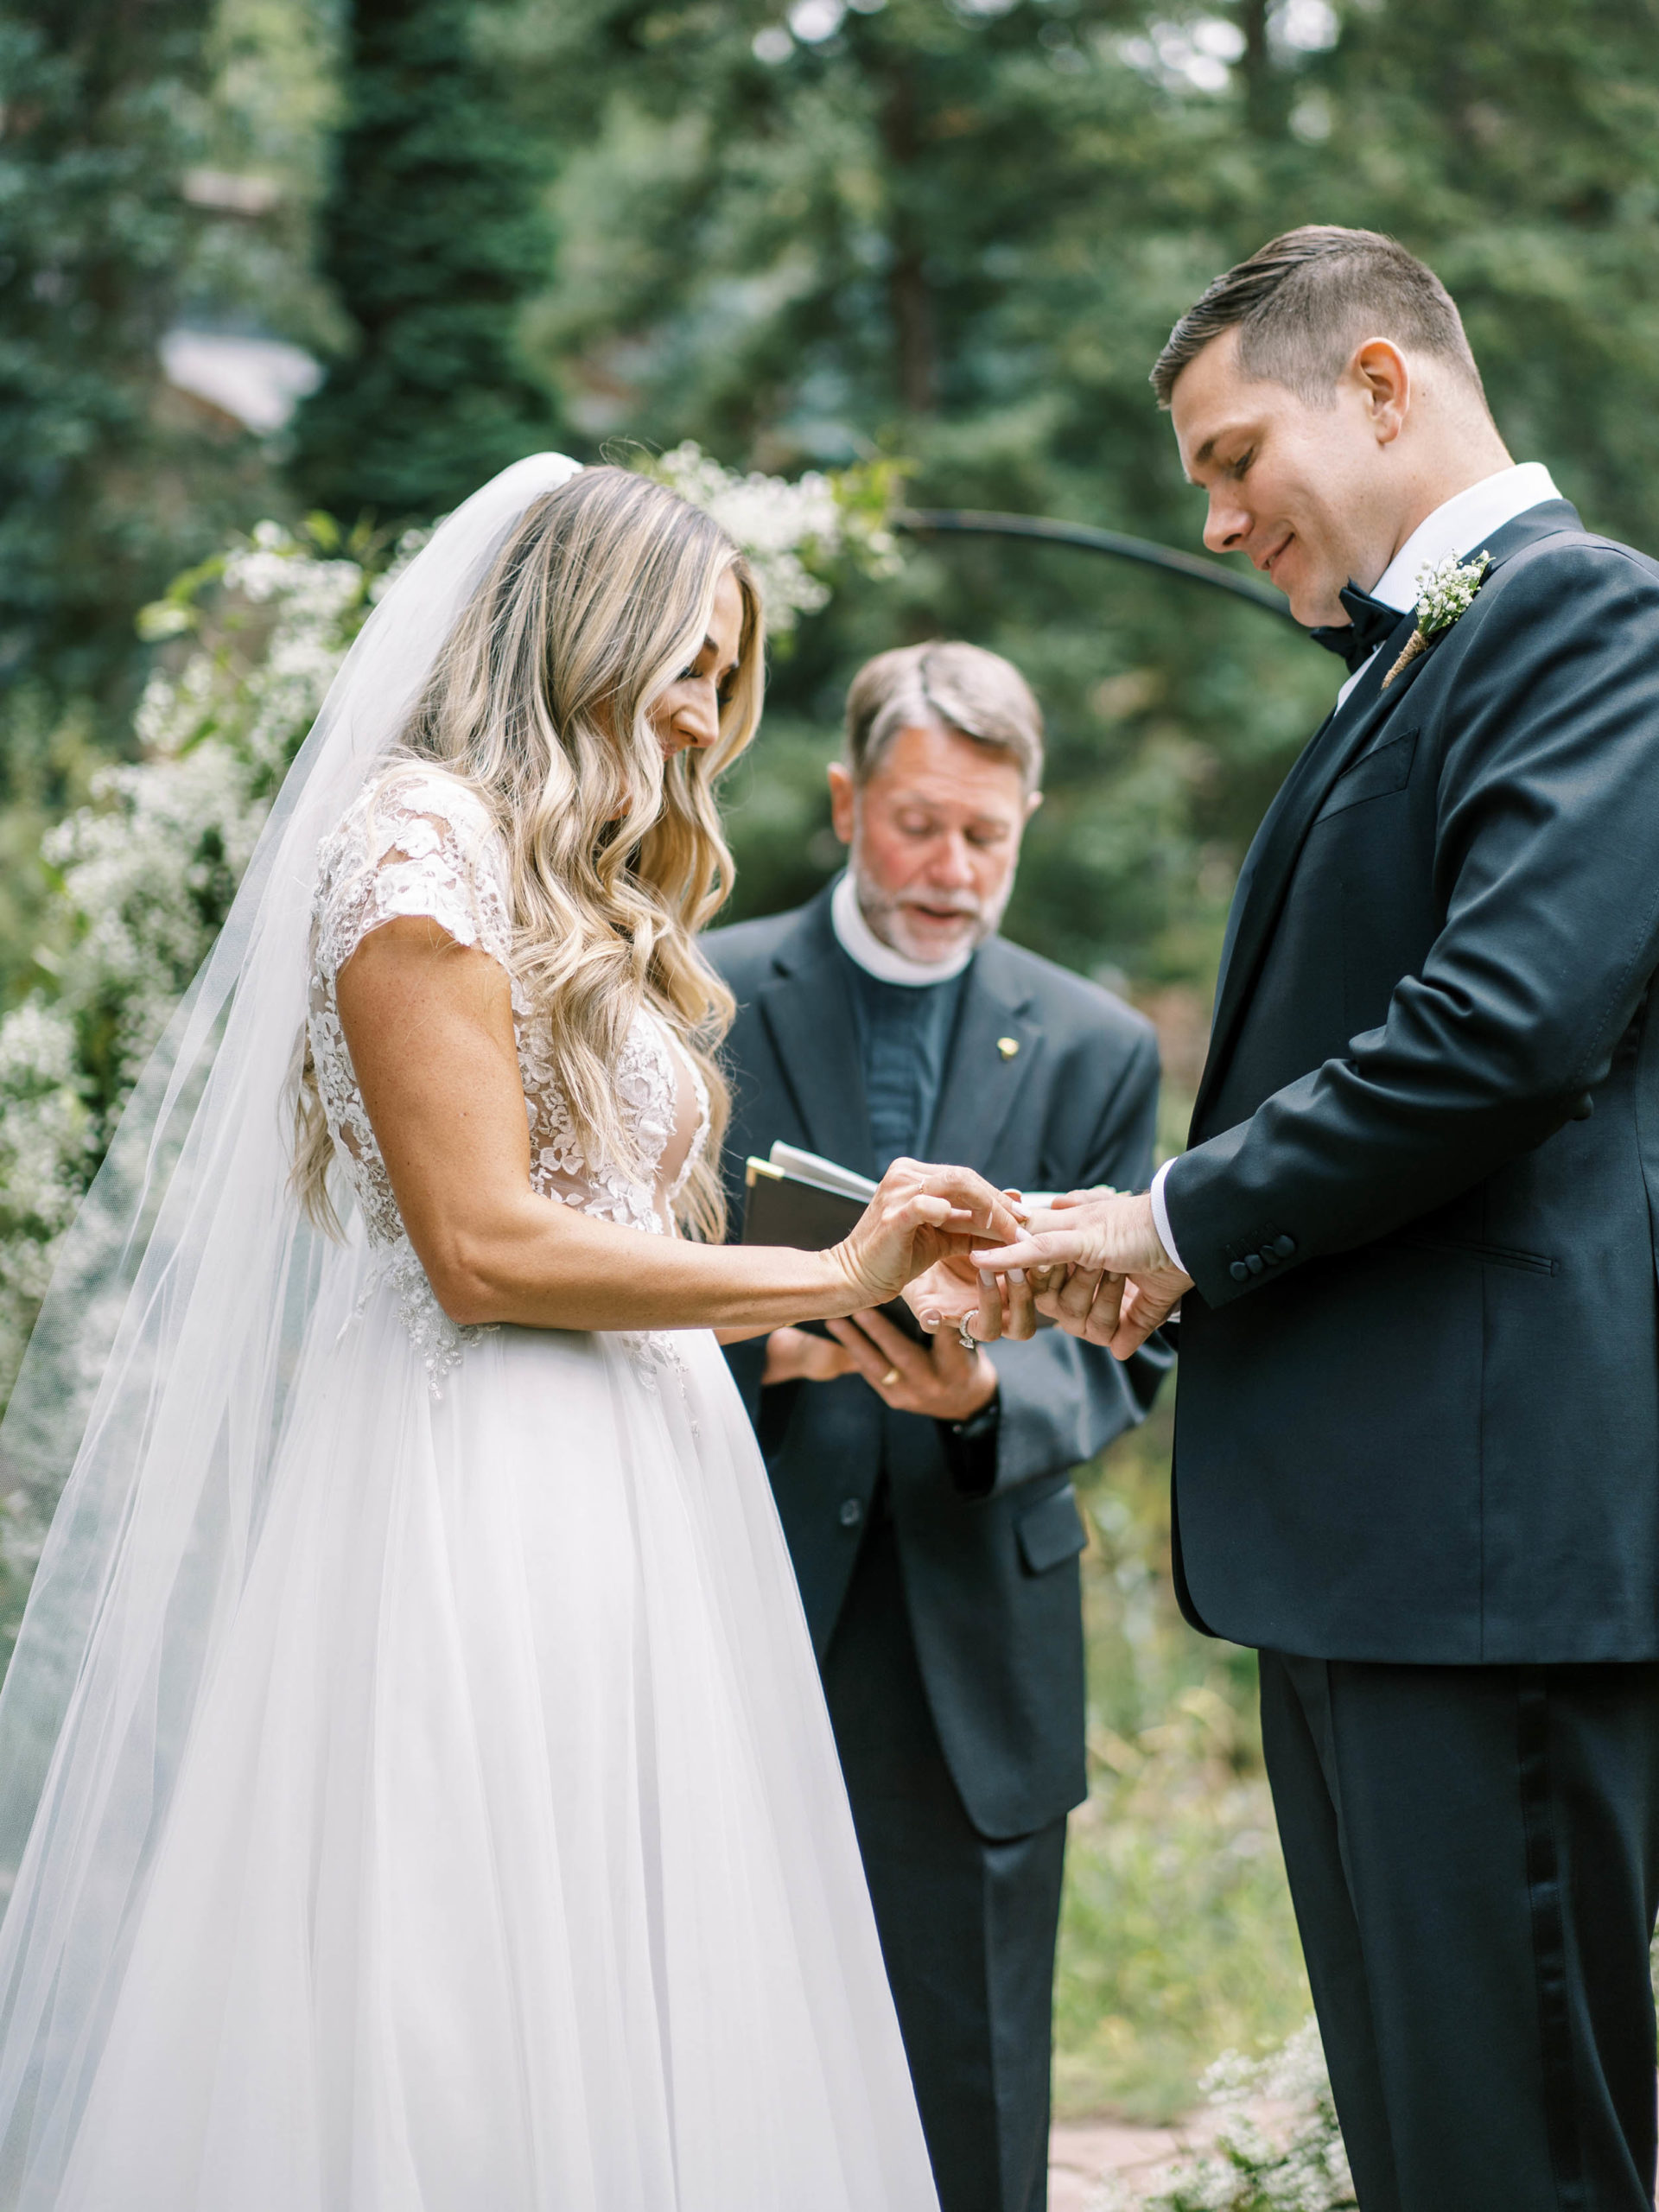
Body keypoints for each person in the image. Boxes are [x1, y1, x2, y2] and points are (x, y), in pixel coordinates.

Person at [0, 457, 1021, 2209]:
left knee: (644, 1955)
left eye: (726, 676)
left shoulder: (564, 873)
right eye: (689, 664)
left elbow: (613, 1217)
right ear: (587, 626)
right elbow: (481, 1245)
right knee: (470, 1974)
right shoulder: (414, 847)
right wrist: (833, 1271)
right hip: (476, 1481)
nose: (707, 717)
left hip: (638, 1484)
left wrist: (875, 1281)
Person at [977, 226, 1659, 2211]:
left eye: (1228, 451)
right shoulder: (1414, 659)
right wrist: (1153, 1266)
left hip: (1484, 1549)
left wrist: (1178, 1220)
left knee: (1514, 2149)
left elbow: (1504, 1034)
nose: (1210, 518)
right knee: (1437, 2146)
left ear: (1380, 383)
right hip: (1382, 1552)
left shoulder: (1589, 620)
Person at [703, 641, 1169, 2212]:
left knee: (970, 2095)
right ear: (845, 801)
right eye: (917, 825)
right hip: (733, 1587)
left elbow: (1128, 1353)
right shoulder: (703, 993)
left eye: (988, 835)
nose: (952, 870)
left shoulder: (1100, 1044)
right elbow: (622, 1263)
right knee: (711, 2051)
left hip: (977, 1622)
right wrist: (757, 1353)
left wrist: (986, 1396)